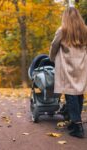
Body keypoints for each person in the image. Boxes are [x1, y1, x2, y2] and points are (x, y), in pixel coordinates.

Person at [49, 7, 87, 138]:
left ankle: (77, 126)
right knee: (79, 93)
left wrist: (52, 58)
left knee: (70, 94)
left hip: (67, 65)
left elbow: (54, 45)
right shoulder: (85, 30)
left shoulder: (62, 30)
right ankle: (75, 121)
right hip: (81, 65)